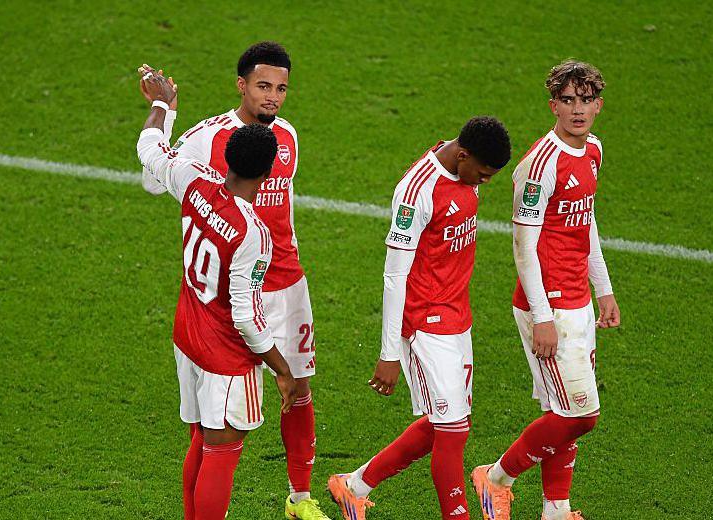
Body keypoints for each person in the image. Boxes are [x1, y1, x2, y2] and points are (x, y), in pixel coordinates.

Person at [141, 42, 329, 519]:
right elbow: (152, 177)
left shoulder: (287, 135)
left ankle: (300, 499)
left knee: (300, 391)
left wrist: (162, 107)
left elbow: (159, 157)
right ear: (241, 85)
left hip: (285, 284)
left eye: (281, 89)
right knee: (215, 436)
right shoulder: (208, 139)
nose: (273, 98)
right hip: (230, 306)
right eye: (263, 86)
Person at [327, 117, 512, 520]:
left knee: (443, 423)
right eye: (482, 174)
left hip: (458, 317)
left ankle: (352, 487)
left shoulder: (461, 164)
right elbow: (394, 276)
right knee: (453, 430)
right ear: (463, 156)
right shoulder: (416, 193)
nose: (484, 183)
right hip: (425, 322)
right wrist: (389, 352)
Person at [471, 60, 621, 520]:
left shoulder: (592, 150)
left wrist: (604, 288)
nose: (578, 110)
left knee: (563, 410)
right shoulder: (538, 166)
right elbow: (524, 245)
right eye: (568, 100)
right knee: (581, 415)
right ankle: (495, 477)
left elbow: (585, 223)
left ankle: (556, 509)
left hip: (577, 299)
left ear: (599, 105)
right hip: (548, 305)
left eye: (587, 99)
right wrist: (541, 315)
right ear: (553, 104)